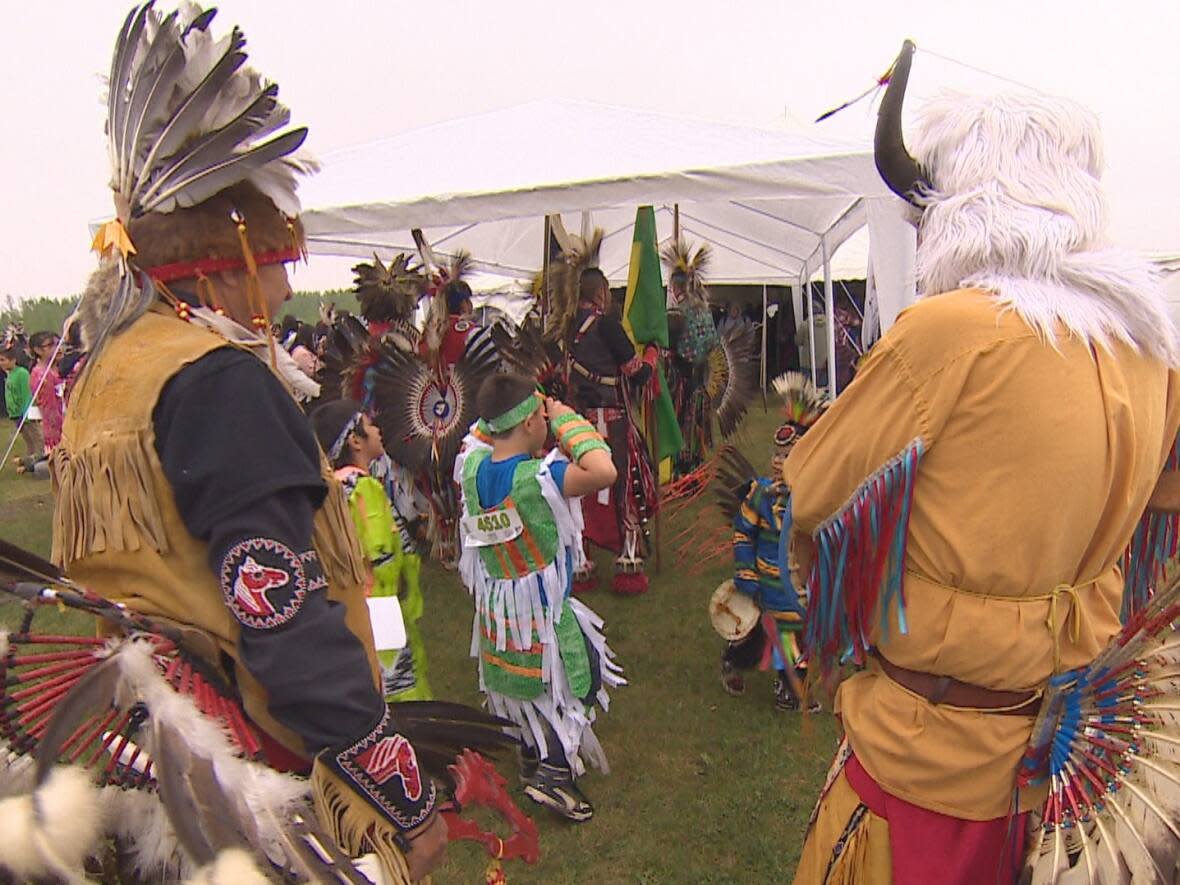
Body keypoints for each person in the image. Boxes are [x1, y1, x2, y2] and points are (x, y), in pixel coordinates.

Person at [47, 4, 452, 880]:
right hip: (239, 776)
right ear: (230, 258)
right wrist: (402, 794)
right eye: (279, 260)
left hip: (136, 753)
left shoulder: (110, 368)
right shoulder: (219, 379)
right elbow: (277, 610)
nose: (282, 282)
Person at [790, 43, 1180, 883]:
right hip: (1075, 769)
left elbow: (811, 492)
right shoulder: (1150, 350)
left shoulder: (952, 331)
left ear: (956, 203)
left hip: (930, 758)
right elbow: (1164, 507)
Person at [454, 373, 625, 821]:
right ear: (533, 422)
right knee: (572, 677)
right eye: (541, 418)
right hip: (542, 609)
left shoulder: (471, 469)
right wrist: (566, 418)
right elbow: (604, 470)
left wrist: (518, 410)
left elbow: (480, 432)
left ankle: (531, 753)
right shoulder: (540, 477)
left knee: (520, 683)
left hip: (497, 608)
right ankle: (552, 773)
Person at [314, 399, 432, 703]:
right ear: (355, 440)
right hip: (381, 608)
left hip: (354, 607)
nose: (378, 430)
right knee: (399, 691)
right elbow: (382, 558)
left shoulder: (333, 488)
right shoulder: (362, 488)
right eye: (370, 425)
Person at [721, 372, 824, 710]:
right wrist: (746, 572)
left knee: (800, 633)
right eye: (777, 456)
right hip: (769, 582)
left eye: (789, 457)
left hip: (801, 584)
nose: (780, 463)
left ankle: (792, 687)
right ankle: (779, 685)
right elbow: (743, 533)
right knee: (775, 633)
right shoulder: (761, 494)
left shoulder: (817, 497)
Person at [566, 267, 654, 592]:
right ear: (601, 293)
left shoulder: (569, 326)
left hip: (576, 423)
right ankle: (627, 565)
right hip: (611, 422)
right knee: (624, 482)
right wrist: (653, 357)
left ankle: (579, 562)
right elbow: (637, 373)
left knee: (578, 486)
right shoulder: (607, 325)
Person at [0, 347, 43, 463]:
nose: (1, 363)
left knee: (36, 437)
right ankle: (31, 460)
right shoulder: (9, 374)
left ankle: (41, 459)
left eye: (3, 360)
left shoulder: (22, 373)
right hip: (15, 413)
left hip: (26, 413)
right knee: (28, 439)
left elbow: (27, 394)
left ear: (13, 360)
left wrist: (26, 413)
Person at [28, 331, 64, 452]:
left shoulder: (59, 370)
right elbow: (49, 411)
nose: (58, 348)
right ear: (38, 350)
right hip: (58, 435)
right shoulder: (41, 375)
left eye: (59, 343)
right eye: (51, 345)